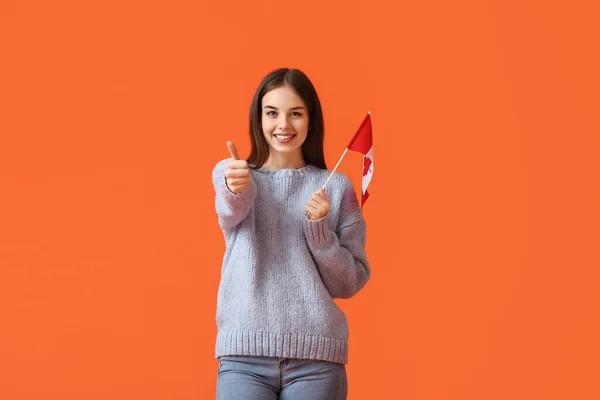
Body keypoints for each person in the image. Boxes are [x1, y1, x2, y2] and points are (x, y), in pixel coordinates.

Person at [211, 67, 370, 400]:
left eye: (295, 113)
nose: (283, 125)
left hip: (316, 359)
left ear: (310, 121)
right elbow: (232, 209)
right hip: (244, 357)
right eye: (272, 113)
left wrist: (319, 231)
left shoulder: (336, 188)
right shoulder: (234, 176)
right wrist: (234, 186)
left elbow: (349, 282)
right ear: (259, 120)